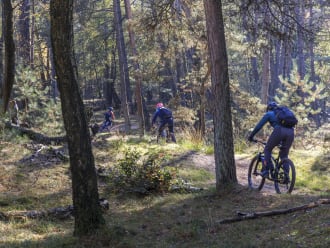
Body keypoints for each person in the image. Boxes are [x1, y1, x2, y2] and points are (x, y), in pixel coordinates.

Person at [248, 102, 294, 183]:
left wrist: (251, 136)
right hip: (291, 132)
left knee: (267, 149)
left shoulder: (269, 114)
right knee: (284, 155)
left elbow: (259, 126)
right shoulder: (283, 113)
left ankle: (266, 170)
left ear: (268, 108)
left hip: (279, 131)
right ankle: (286, 177)